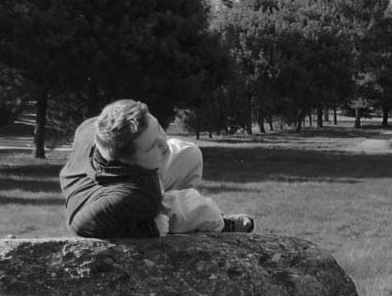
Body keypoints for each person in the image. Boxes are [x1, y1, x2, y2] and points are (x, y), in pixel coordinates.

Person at [59, 99, 254, 238]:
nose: (164, 142)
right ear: (129, 160)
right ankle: (216, 224)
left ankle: (175, 201)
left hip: (128, 176)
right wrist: (148, 228)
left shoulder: (94, 127)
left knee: (188, 154)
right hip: (123, 197)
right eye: (153, 145)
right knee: (193, 208)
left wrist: (153, 148)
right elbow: (80, 225)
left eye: (159, 129)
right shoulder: (136, 195)